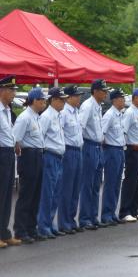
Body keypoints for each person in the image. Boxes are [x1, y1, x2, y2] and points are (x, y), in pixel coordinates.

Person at [13, 87, 47, 244]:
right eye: (41, 100)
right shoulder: (25, 117)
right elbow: (16, 139)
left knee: (36, 195)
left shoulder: (37, 117)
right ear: (34, 100)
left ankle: (31, 228)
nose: (44, 103)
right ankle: (20, 230)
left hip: (38, 154)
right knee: (26, 195)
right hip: (28, 156)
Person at [37, 87, 68, 239]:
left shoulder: (59, 115)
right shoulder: (47, 116)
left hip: (58, 157)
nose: (63, 102)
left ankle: (50, 222)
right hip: (50, 156)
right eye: (61, 100)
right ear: (53, 100)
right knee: (48, 193)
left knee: (56, 192)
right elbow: (40, 137)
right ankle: (43, 225)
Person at [79, 79, 110, 230]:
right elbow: (80, 127)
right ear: (96, 91)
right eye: (103, 91)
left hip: (98, 147)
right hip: (89, 146)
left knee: (97, 184)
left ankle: (93, 215)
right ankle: (85, 218)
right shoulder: (88, 106)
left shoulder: (97, 106)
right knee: (88, 184)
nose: (106, 94)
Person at [119, 87, 138, 222]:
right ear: (135, 97)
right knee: (130, 181)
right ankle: (125, 211)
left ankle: (134, 210)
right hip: (133, 150)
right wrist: (127, 147)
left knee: (136, 182)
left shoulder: (137, 112)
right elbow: (123, 131)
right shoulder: (130, 113)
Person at [58, 85, 84, 234]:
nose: (79, 97)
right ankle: (64, 222)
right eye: (76, 95)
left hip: (78, 150)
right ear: (68, 97)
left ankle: (71, 220)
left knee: (75, 188)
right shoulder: (64, 113)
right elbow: (59, 133)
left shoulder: (76, 111)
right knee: (67, 188)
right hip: (68, 151)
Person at [0, 75, 21, 248]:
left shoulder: (7, 111)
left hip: (8, 153)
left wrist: (15, 144)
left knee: (7, 195)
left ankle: (4, 233)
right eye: (11, 90)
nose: (14, 93)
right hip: (0, 153)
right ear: (3, 91)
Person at [101, 88, 126, 226]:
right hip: (111, 150)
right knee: (110, 183)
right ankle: (106, 214)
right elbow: (102, 134)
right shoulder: (109, 115)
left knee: (117, 183)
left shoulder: (119, 115)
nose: (123, 101)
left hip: (120, 149)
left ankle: (112, 212)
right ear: (114, 100)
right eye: (121, 99)